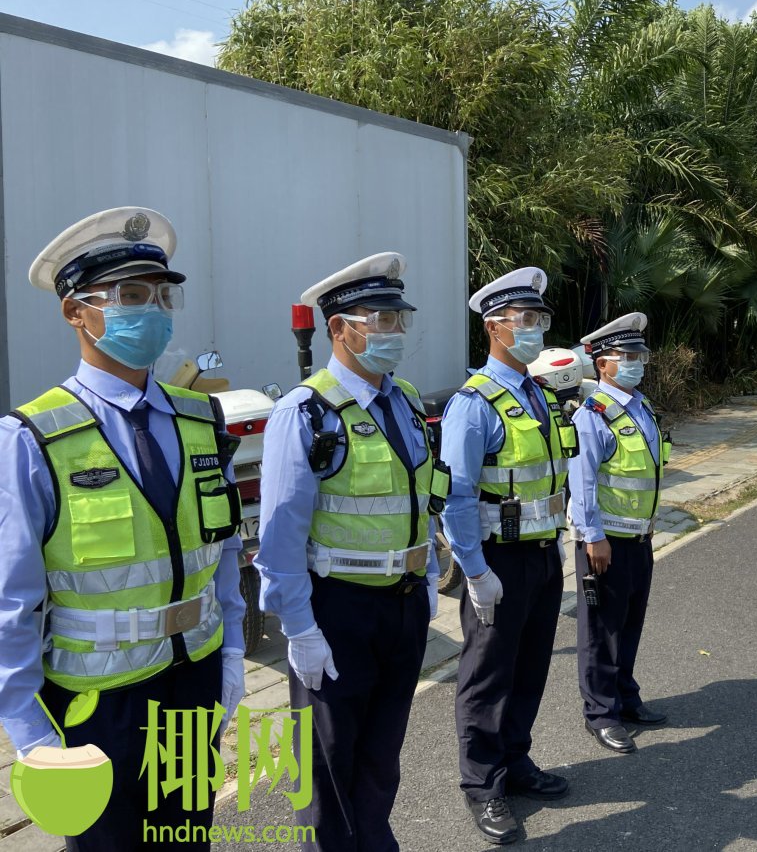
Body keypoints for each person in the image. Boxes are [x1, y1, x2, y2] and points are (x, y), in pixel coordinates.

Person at [0, 207, 246, 851]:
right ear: (75, 312)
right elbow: (10, 601)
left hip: (192, 682)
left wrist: (235, 654)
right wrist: (26, 730)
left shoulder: (199, 419)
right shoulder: (33, 438)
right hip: (94, 706)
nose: (155, 311)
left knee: (188, 838)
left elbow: (220, 549)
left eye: (163, 295)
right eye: (132, 295)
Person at [255, 253, 446, 852]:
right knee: (328, 758)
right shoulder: (304, 413)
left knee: (382, 748)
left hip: (404, 601)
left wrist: (430, 569)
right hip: (338, 609)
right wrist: (298, 627)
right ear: (340, 329)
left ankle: (373, 839)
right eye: (380, 321)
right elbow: (280, 534)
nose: (393, 333)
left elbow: (422, 492)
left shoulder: (406, 400)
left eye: (398, 320)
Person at [441, 267, 577, 844]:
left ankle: (515, 760)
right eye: (527, 321)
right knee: (487, 675)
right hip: (498, 561)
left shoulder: (539, 396)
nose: (537, 331)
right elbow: (457, 498)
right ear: (496, 327)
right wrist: (474, 573)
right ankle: (483, 784)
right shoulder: (473, 405)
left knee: (530, 666)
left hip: (544, 556)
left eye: (541, 320)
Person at [569, 313, 672, 754]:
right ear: (602, 365)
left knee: (629, 624)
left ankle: (626, 698)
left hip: (640, 538)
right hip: (604, 542)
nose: (637, 363)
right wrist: (592, 536)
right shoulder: (593, 416)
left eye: (640, 355)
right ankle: (600, 712)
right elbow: (583, 481)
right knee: (601, 631)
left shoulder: (642, 406)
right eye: (627, 356)